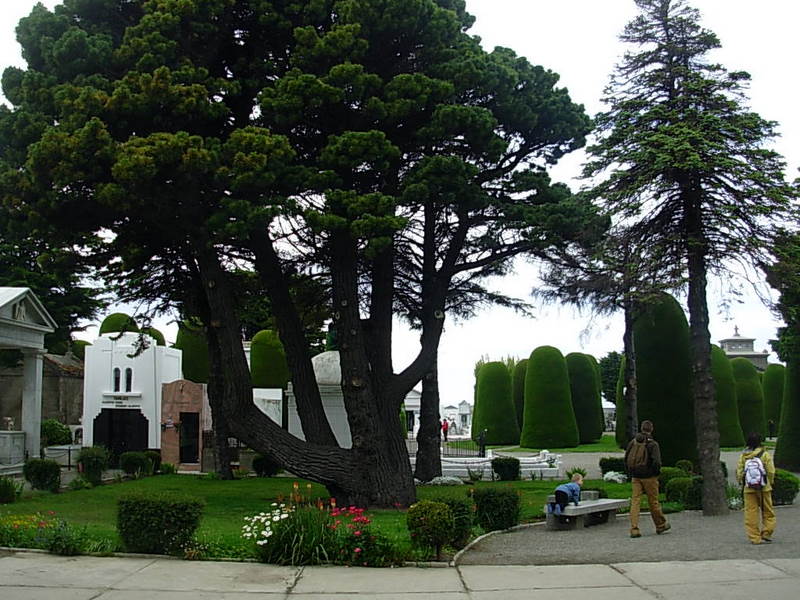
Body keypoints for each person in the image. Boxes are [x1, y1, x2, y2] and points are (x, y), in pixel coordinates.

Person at [625, 420, 670, 538]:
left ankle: (634, 528)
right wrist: (656, 473)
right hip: (649, 477)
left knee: (635, 502)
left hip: (636, 476)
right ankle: (660, 524)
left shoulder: (633, 442)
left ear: (641, 428)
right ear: (651, 429)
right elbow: (657, 462)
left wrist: (631, 473)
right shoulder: (653, 444)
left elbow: (626, 458)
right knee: (653, 502)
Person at [735, 432, 776, 545]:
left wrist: (741, 482)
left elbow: (739, 472)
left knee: (751, 513)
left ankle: (754, 537)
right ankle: (767, 532)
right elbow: (771, 471)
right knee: (768, 511)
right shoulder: (765, 454)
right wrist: (770, 482)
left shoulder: (743, 456)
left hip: (749, 488)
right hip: (764, 488)